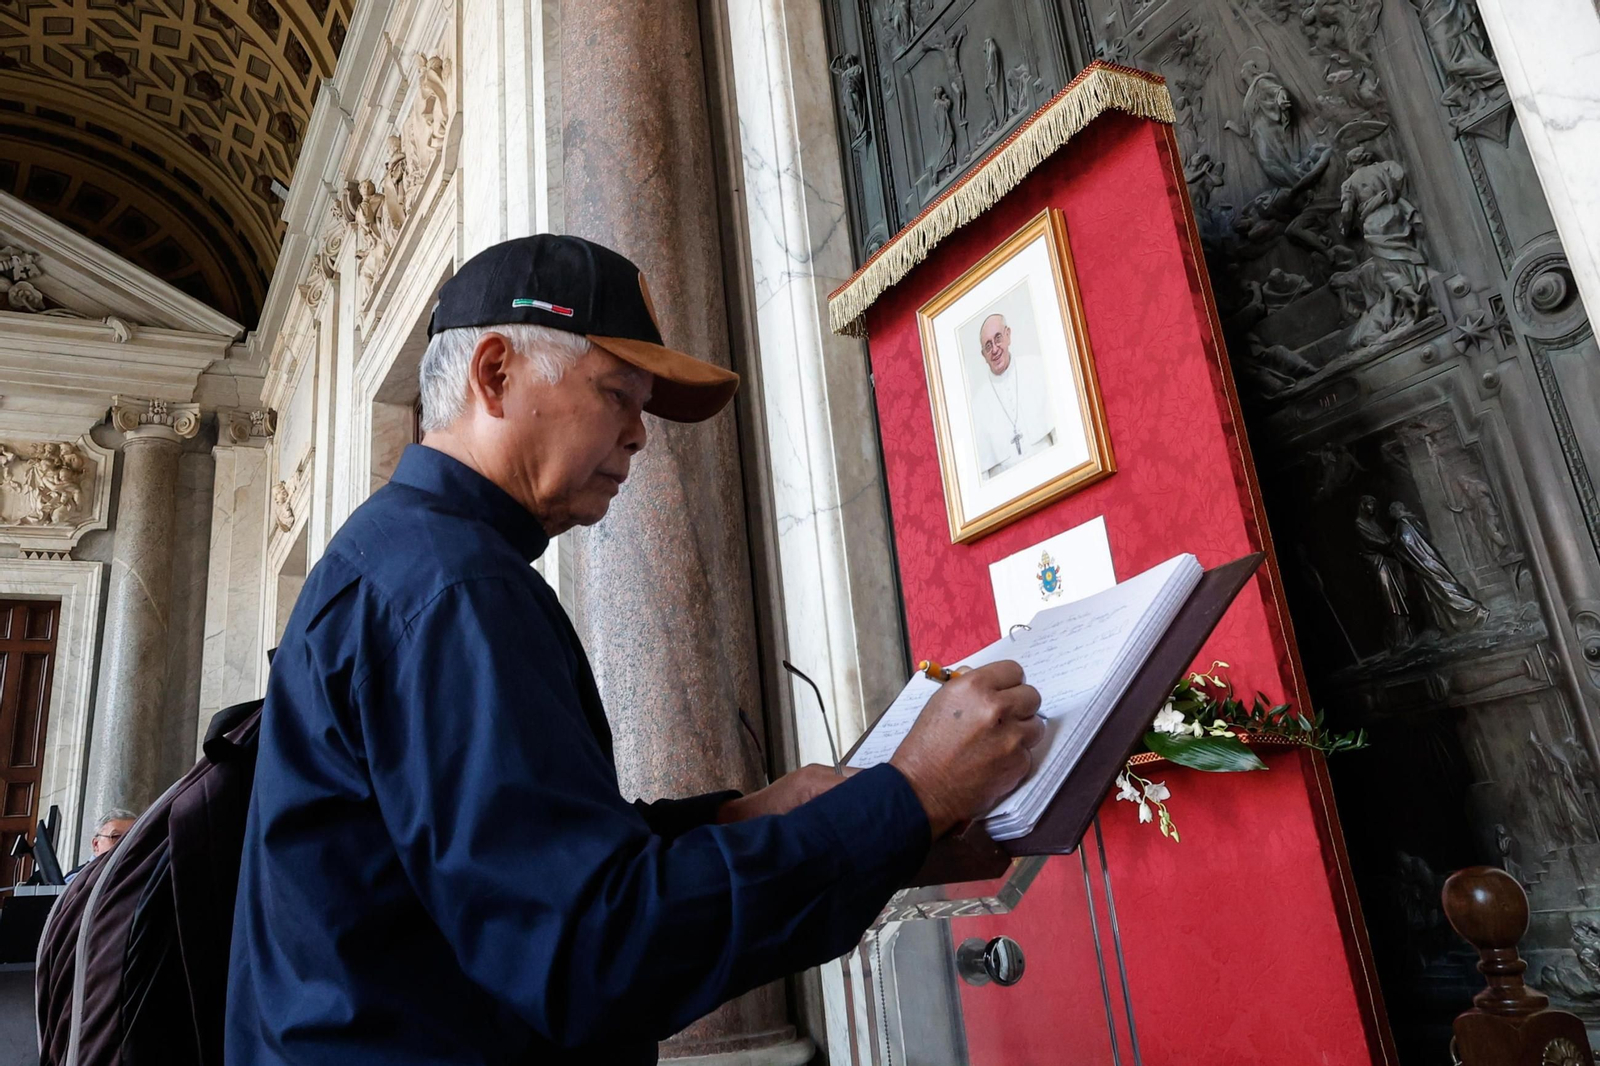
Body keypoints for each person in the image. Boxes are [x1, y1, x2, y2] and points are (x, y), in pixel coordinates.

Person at [227, 235, 1045, 1064]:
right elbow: (594, 951)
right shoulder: (454, 590)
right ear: (496, 374)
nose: (640, 437)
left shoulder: (406, 557)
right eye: (617, 394)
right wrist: (912, 794)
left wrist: (743, 816)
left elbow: (520, 858)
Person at [969, 312, 1056, 479]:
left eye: (998, 338)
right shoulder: (977, 404)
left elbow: (1059, 434)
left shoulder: (1036, 367)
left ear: (1008, 335)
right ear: (983, 355)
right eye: (988, 346)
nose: (994, 349)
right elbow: (982, 476)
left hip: (1050, 475)